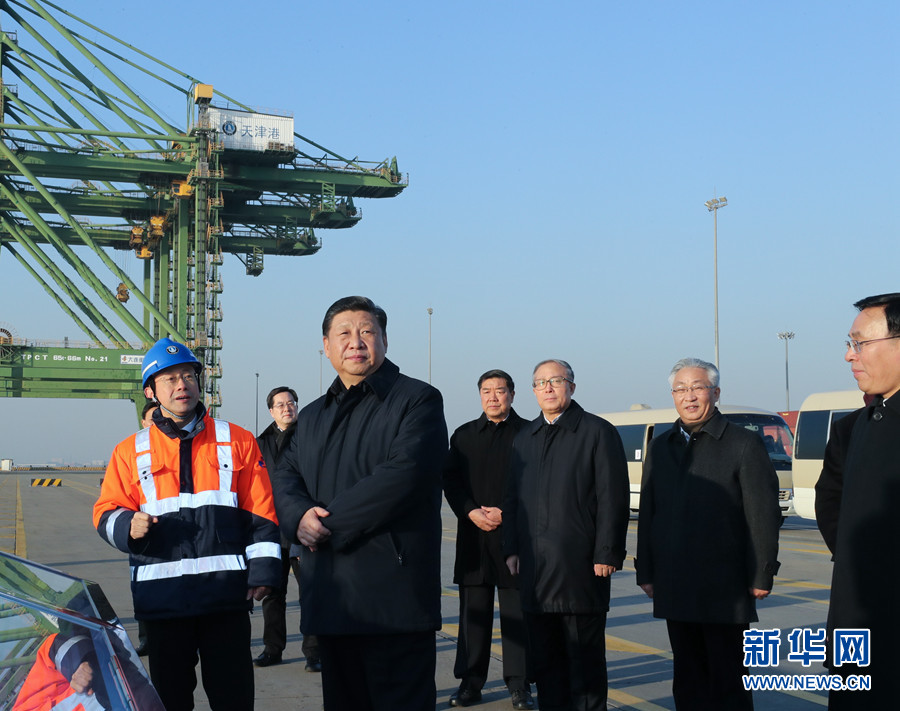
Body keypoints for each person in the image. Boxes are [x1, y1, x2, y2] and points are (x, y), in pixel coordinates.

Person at [271, 296, 448, 711]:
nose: (356, 341)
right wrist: (298, 517)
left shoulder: (418, 400)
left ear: (384, 339)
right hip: (331, 597)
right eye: (344, 333)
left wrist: (322, 525)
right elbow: (284, 476)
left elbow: (404, 475)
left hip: (393, 598)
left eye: (367, 331)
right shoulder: (312, 416)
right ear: (326, 345)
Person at [93, 338, 281, 711]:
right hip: (163, 603)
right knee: (170, 701)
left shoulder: (238, 440)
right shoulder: (129, 451)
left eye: (189, 376)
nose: (182, 385)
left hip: (225, 600)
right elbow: (104, 510)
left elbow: (260, 510)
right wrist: (127, 524)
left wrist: (263, 571)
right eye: (170, 379)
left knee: (234, 700)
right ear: (151, 391)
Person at [635, 357, 781, 711]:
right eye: (680, 389)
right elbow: (649, 513)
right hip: (674, 580)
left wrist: (762, 573)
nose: (689, 396)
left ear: (715, 393)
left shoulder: (743, 443)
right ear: (673, 395)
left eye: (698, 387)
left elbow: (763, 515)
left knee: (727, 676)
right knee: (687, 674)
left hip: (724, 585)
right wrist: (646, 571)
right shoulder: (661, 446)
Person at [503, 359, 629, 711]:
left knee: (584, 666)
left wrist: (607, 551)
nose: (547, 388)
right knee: (546, 664)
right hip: (535, 570)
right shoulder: (524, 437)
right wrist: (511, 547)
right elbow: (511, 498)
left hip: (580, 567)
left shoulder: (596, 432)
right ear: (532, 391)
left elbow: (613, 496)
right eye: (540, 382)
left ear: (571, 387)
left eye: (556, 381)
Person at [815, 293, 900, 710]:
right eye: (850, 344)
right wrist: (858, 558)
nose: (850, 356)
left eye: (860, 343)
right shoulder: (855, 427)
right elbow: (830, 503)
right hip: (857, 627)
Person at [443, 370, 533, 710]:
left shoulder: (529, 433)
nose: (493, 397)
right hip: (474, 537)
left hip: (515, 538)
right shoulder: (463, 435)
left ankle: (520, 685)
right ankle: (471, 682)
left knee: (517, 615)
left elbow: (538, 484)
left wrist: (507, 514)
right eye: (486, 391)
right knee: (473, 615)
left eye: (500, 390)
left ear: (512, 394)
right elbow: (451, 482)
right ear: (479, 395)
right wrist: (470, 512)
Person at [254, 386, 320, 672]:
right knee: (272, 592)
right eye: (280, 404)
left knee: (310, 592)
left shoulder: (310, 437)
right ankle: (272, 649)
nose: (286, 408)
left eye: (291, 402)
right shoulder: (260, 443)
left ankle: (314, 653)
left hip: (302, 525)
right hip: (271, 528)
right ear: (271, 411)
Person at [132, 401, 158, 658]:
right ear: (143, 423)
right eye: (152, 418)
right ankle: (146, 640)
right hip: (143, 541)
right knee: (144, 594)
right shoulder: (133, 453)